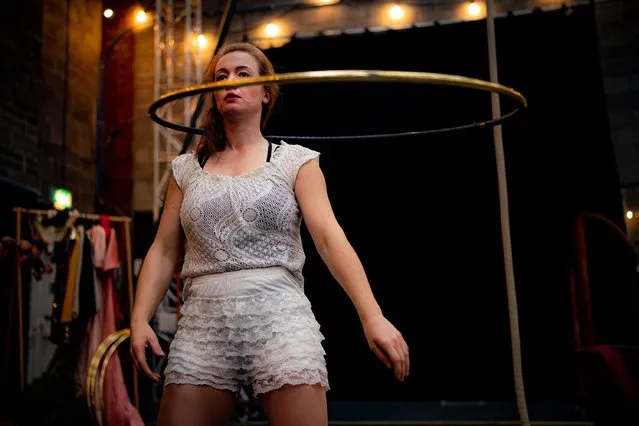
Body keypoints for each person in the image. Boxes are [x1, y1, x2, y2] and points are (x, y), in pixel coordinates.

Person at [130, 42, 410, 426]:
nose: (231, 82)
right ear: (212, 93)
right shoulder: (186, 169)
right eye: (221, 76)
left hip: (279, 318)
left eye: (244, 74)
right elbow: (163, 250)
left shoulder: (296, 162)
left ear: (265, 93)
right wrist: (139, 318)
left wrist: (372, 315)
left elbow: (330, 239)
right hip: (204, 323)